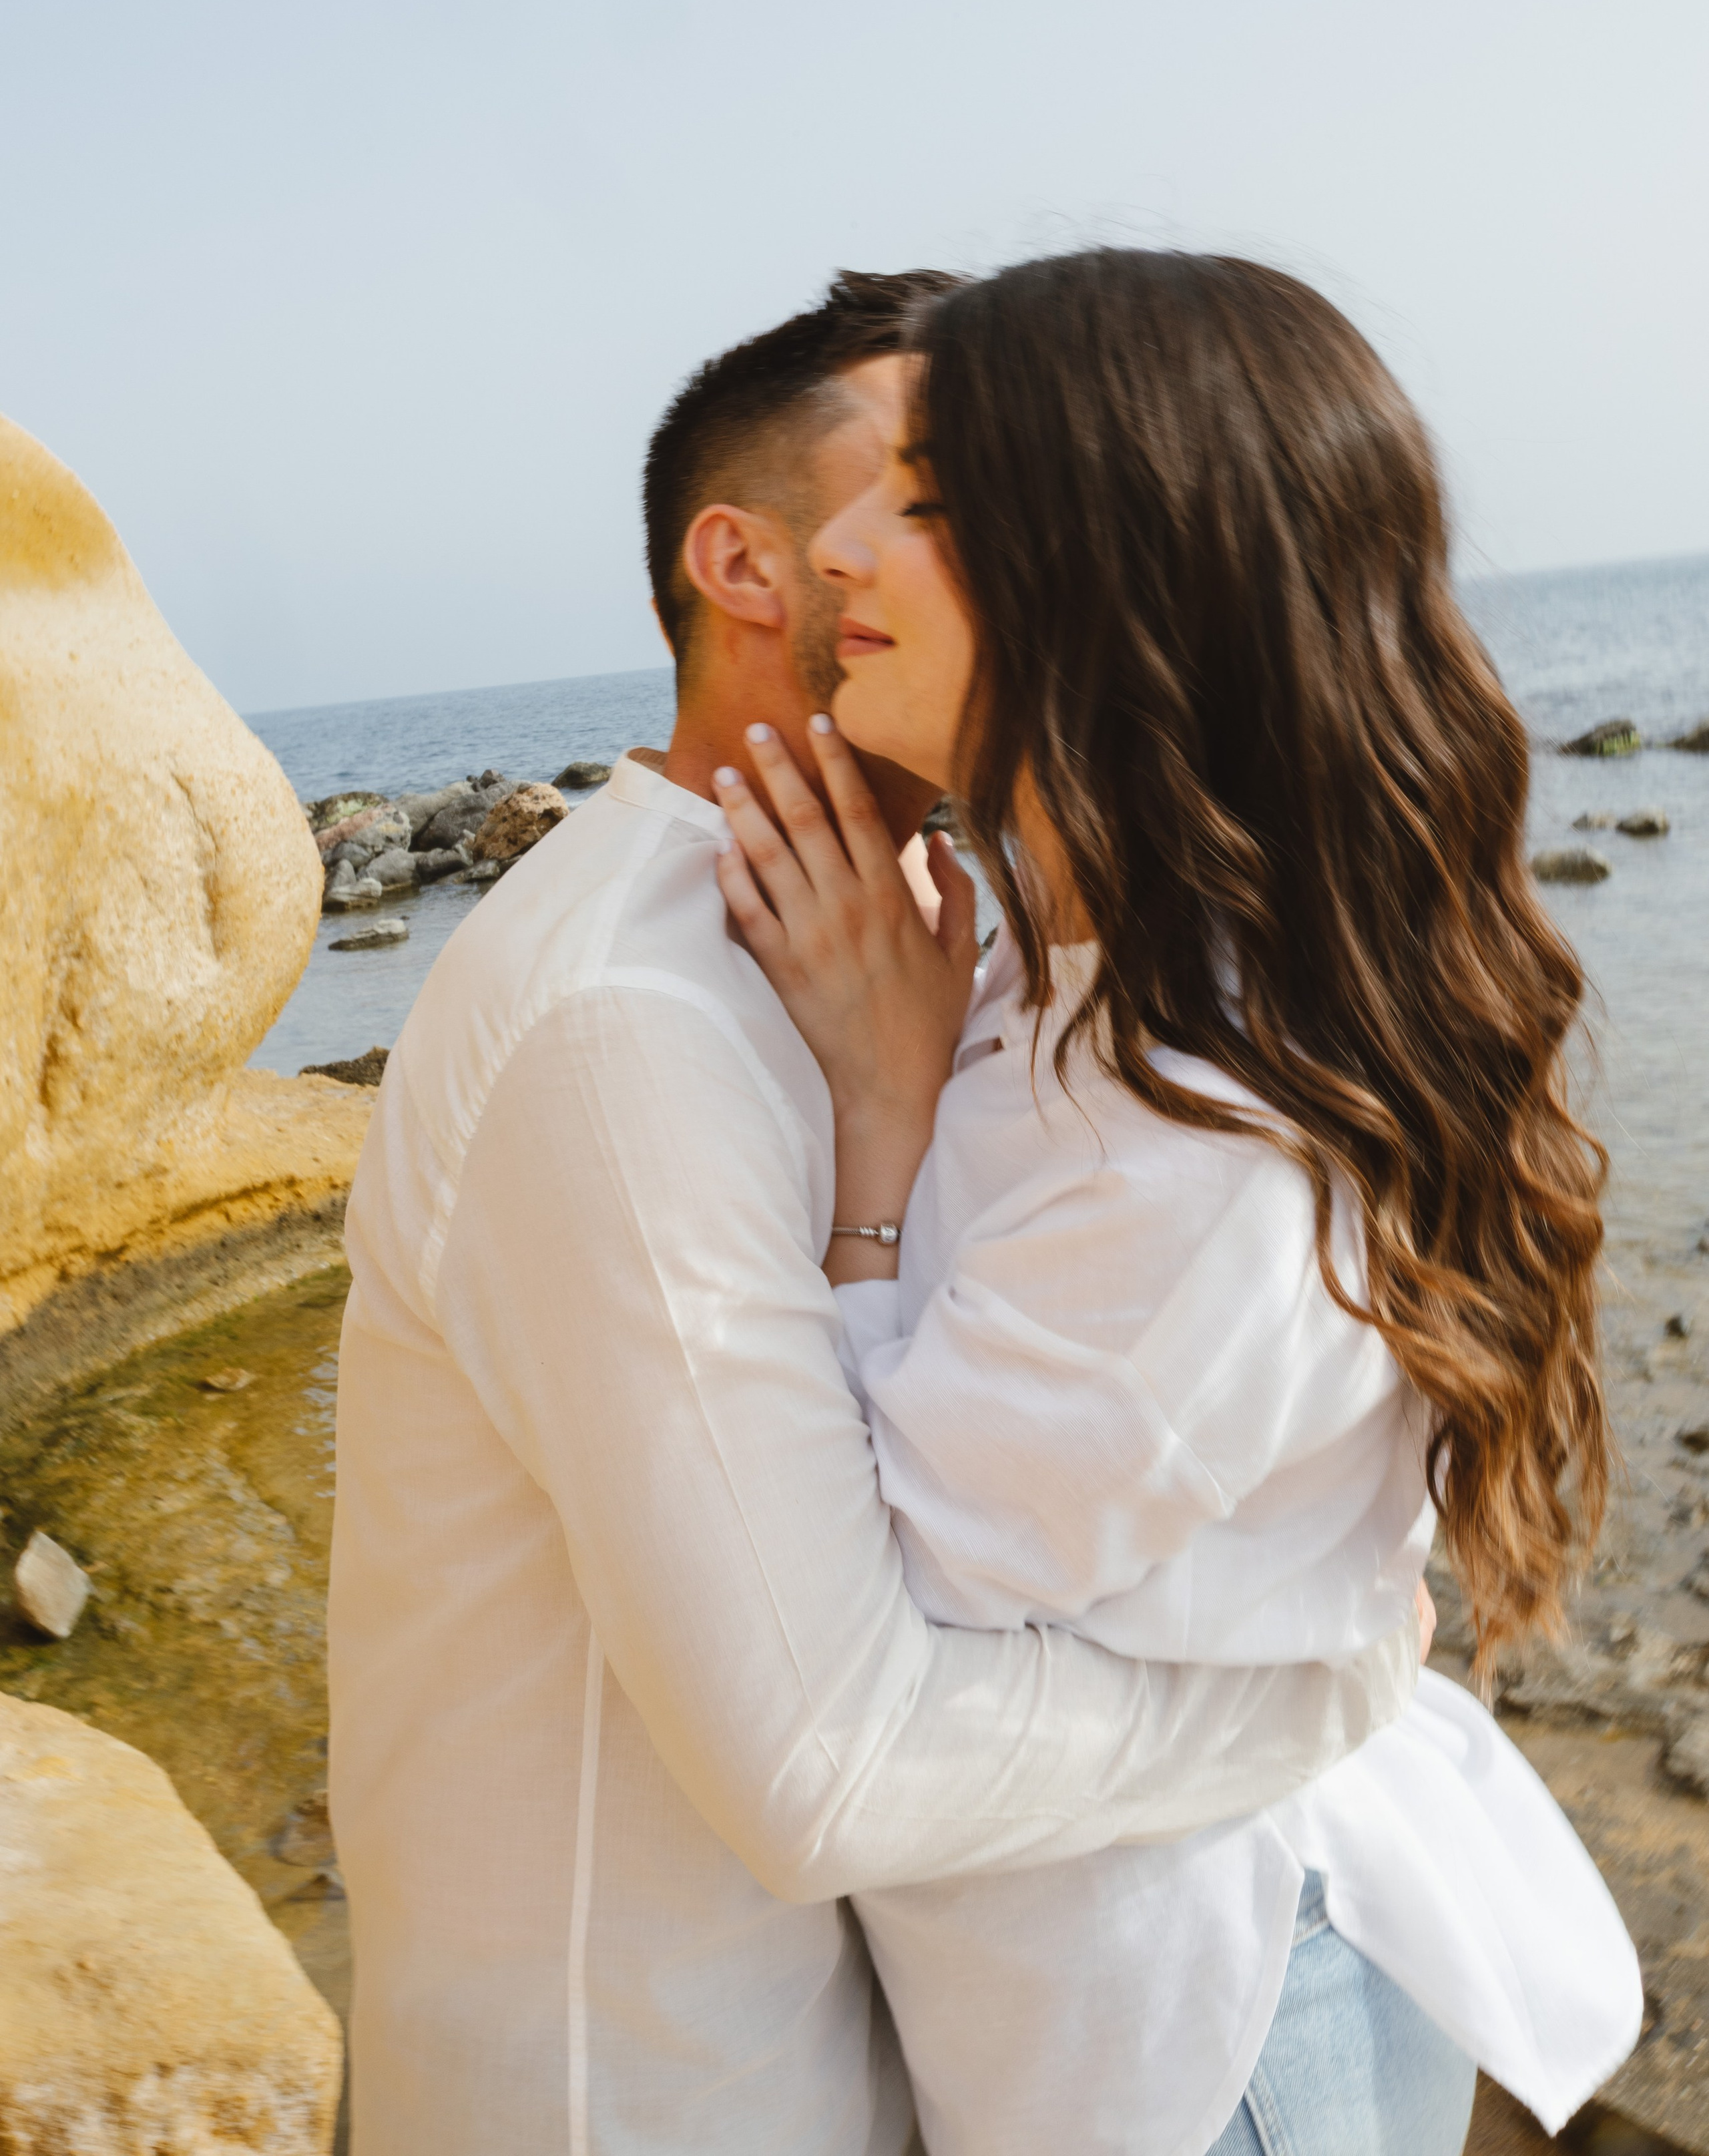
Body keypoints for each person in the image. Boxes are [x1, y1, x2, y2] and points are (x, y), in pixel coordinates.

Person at [327, 270, 1422, 2156]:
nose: (866, 543)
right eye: (885, 479)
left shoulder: (983, 952)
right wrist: (1304, 1702)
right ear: (748, 572)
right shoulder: (633, 1016)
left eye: (938, 493)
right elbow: (838, 1740)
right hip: (664, 2098)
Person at [714, 247, 1644, 2156]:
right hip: (1099, 2005)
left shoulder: (1211, 1125)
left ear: (1127, 578)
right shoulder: (1059, 963)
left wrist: (876, 1138)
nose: (842, 549)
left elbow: (883, 1604)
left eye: (937, 505)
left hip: (1199, 2047)